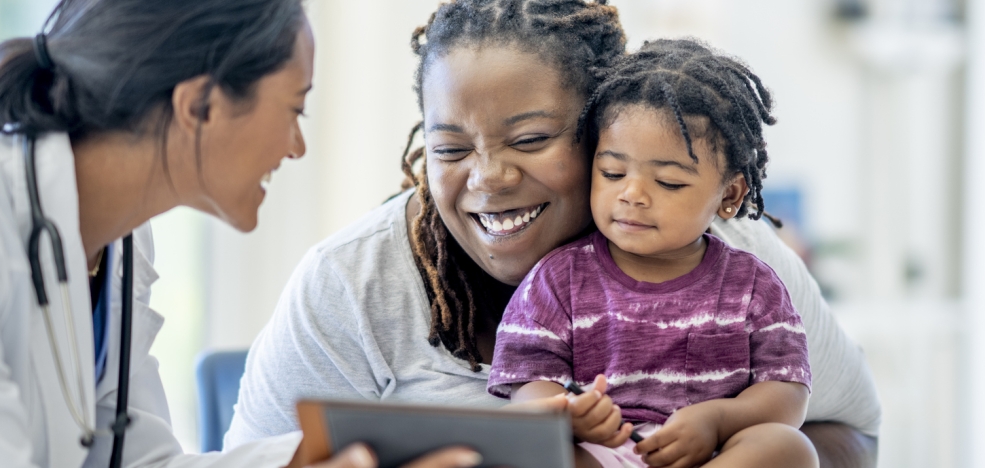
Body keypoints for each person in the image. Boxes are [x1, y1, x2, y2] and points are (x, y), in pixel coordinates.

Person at [226, 0, 883, 465]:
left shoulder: (730, 256)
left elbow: (851, 435)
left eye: (532, 139)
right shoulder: (349, 282)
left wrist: (725, 436)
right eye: (449, 148)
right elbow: (252, 460)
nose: (487, 177)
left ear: (609, 126)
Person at [0, 1, 479, 467]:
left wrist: (335, 455)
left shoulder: (118, 243)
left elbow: (141, 461)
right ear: (199, 105)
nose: (296, 147)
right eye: (293, 109)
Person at [487, 38, 817, 468]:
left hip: (713, 455)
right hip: (600, 454)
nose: (632, 194)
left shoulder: (752, 286)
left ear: (730, 195)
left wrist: (719, 419)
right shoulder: (556, 280)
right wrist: (573, 417)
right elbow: (527, 385)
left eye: (669, 183)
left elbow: (787, 392)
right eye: (612, 172)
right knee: (529, 450)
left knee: (789, 448)